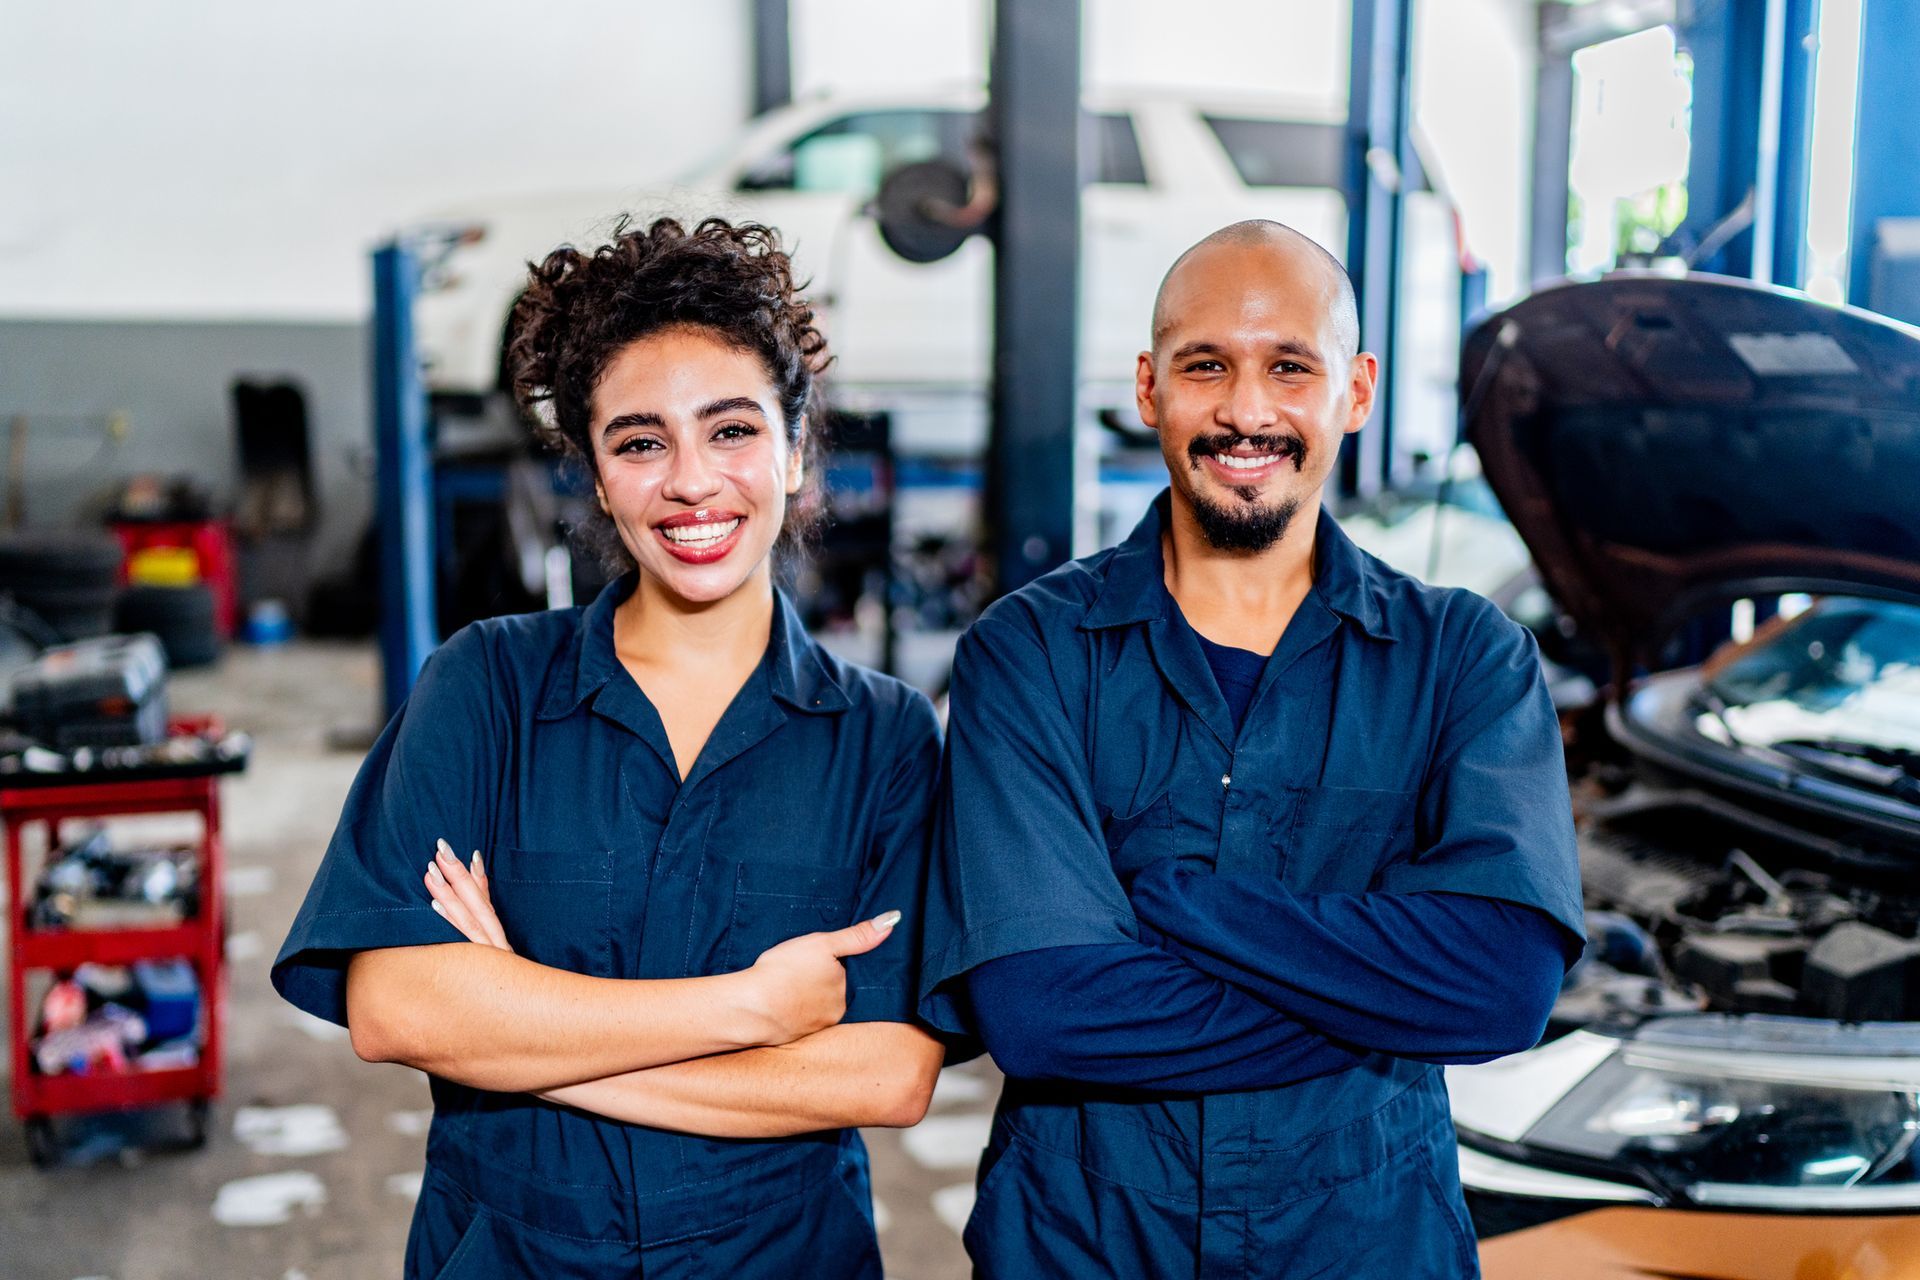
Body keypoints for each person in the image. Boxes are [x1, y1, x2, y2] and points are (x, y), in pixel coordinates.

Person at [271, 217, 944, 1279]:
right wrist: (749, 1009)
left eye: (731, 429)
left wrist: (519, 1029)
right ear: (592, 474)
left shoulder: (886, 736)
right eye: (639, 441)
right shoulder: (485, 685)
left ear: (796, 445)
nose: (689, 481)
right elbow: (396, 1005)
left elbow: (886, 1073)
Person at [919, 220, 1585, 1278]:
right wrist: (1384, 1000)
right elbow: (1041, 1010)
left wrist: (1175, 903)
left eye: (1290, 366)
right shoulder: (1029, 653)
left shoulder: (1463, 657)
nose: (1245, 409)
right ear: (1149, 388)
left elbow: (1501, 984)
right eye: (1206, 366)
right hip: (1085, 1244)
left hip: (1366, 1246)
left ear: (1355, 391)